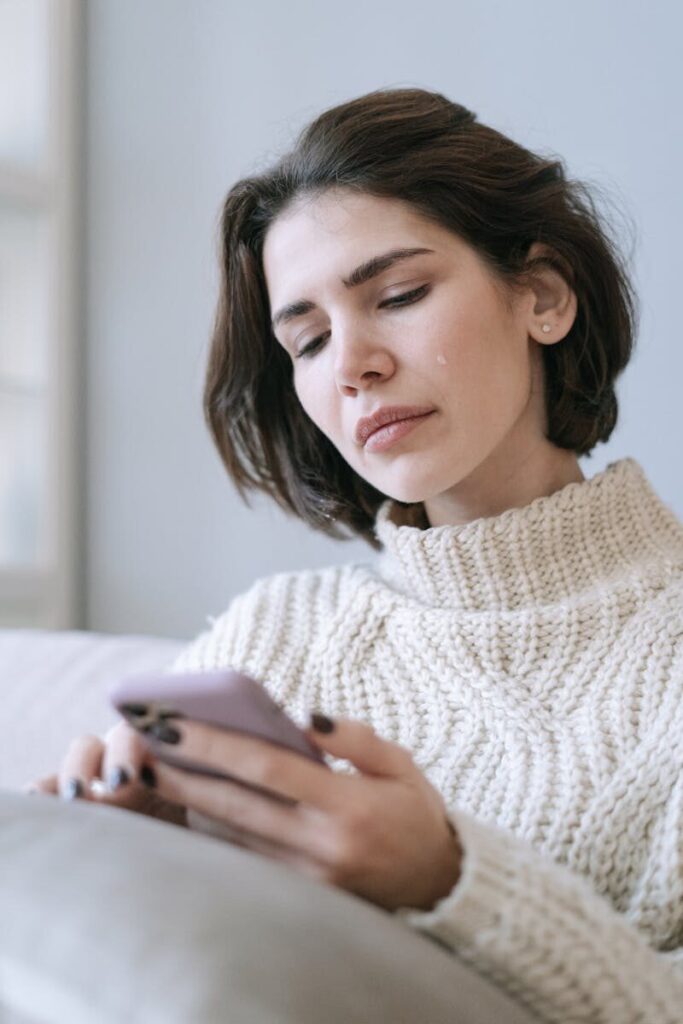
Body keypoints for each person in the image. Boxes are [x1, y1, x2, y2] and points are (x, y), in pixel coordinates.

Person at [30, 87, 683, 1022]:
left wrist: (449, 881)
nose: (352, 364)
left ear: (540, 295)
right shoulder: (277, 635)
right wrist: (135, 856)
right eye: (307, 338)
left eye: (400, 295)